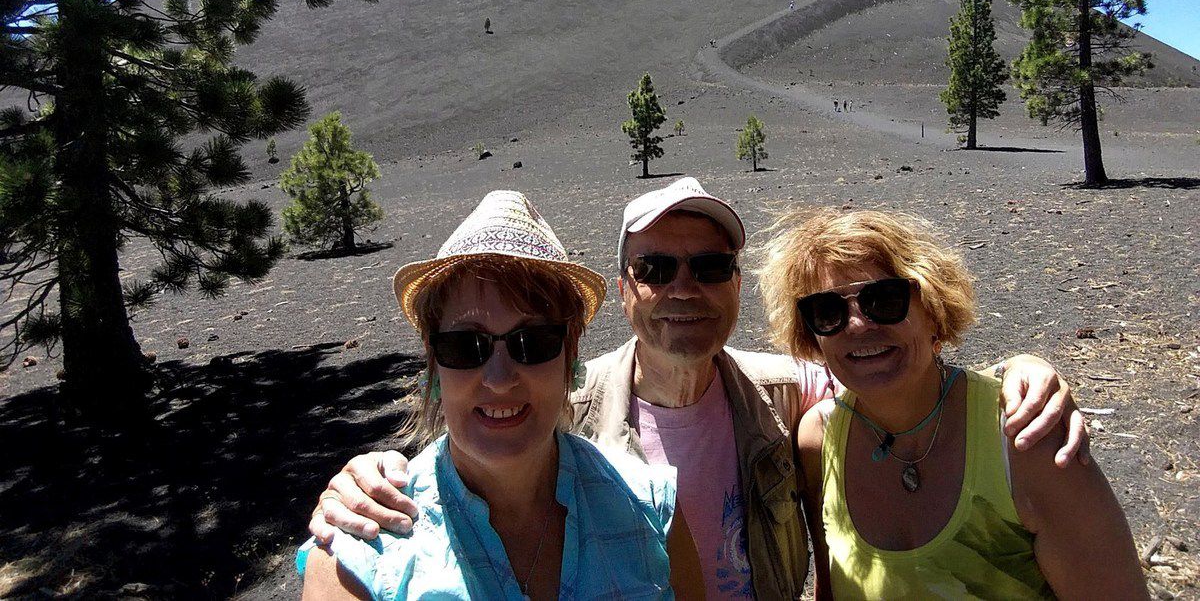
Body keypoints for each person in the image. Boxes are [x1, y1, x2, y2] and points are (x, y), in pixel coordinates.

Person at [310, 178, 1087, 599]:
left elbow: (895, 371)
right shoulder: (562, 416)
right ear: (623, 292)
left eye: (709, 266)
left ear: (737, 289)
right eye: (655, 268)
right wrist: (356, 476)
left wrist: (1019, 373)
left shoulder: (794, 398)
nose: (684, 287)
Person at [298, 190, 704, 600]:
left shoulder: (653, 510)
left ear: (571, 355)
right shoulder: (358, 554)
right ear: (433, 362)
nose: (498, 377)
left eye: (532, 341)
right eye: (465, 345)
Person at [759, 207, 1146, 599]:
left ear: (933, 309)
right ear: (811, 335)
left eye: (885, 299)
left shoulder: (1025, 438)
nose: (858, 325)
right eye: (828, 311)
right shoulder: (819, 441)